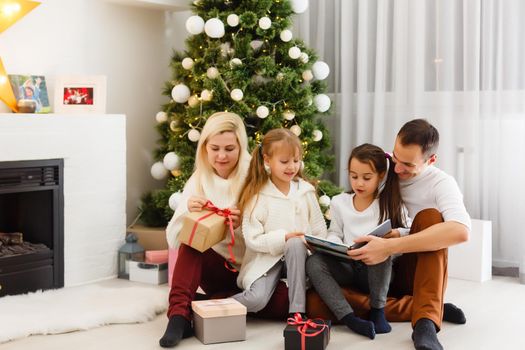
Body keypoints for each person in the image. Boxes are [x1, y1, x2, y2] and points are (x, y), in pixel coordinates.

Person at [347, 119, 471, 350]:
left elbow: (460, 231)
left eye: (407, 164)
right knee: (317, 302)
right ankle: (425, 306)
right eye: (395, 157)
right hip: (375, 272)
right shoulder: (383, 167)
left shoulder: (441, 184)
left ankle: (425, 323)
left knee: (431, 218)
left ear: (430, 160)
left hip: (411, 269)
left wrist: (392, 245)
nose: (397, 169)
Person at [159, 112, 251, 348]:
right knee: (191, 240)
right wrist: (188, 212)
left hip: (251, 273)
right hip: (215, 269)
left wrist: (243, 224)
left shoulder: (254, 175)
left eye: (230, 148)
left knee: (281, 304)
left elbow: (270, 230)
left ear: (241, 147)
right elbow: (174, 237)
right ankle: (178, 317)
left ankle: (211, 304)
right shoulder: (199, 178)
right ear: (205, 149)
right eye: (215, 148)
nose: (221, 156)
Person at [306, 143, 410, 339]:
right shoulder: (339, 202)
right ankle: (349, 318)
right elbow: (334, 232)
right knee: (313, 262)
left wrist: (395, 235)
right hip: (348, 265)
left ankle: (378, 311)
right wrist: (332, 245)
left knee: (380, 251)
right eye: (354, 176)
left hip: (376, 273)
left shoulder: (389, 202)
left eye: (366, 178)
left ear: (380, 176)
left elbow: (410, 230)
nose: (359, 183)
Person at [232, 128, 327, 319]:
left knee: (295, 244)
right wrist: (283, 237)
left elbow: (319, 230)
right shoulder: (258, 196)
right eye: (284, 162)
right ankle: (211, 308)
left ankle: (297, 313)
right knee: (256, 300)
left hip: (301, 259)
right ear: (267, 160)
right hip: (267, 261)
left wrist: (306, 242)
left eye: (296, 160)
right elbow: (252, 239)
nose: (291, 167)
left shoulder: (305, 192)